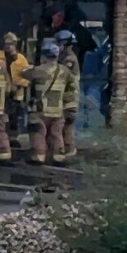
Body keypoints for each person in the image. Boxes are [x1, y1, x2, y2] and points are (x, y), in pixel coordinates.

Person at [22, 41, 79, 164]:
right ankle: (58, 156)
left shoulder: (38, 70)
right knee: (56, 133)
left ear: (44, 56)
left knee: (38, 132)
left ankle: (38, 157)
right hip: (57, 110)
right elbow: (72, 86)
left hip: (40, 110)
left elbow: (23, 74)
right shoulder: (64, 71)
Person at [0, 32, 30, 135]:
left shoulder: (21, 59)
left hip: (17, 94)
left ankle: (13, 138)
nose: (8, 46)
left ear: (15, 44)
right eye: (6, 44)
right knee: (1, 117)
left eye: (10, 44)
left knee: (15, 118)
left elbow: (27, 76)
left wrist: (18, 85)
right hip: (2, 93)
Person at [56, 30, 81, 158]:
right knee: (65, 125)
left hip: (68, 98)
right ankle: (67, 150)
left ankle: (68, 150)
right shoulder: (66, 58)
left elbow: (61, 77)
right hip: (66, 97)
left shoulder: (68, 59)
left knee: (64, 125)